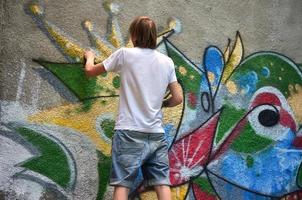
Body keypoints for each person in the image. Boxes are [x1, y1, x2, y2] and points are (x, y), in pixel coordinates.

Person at [84, 16, 183, 200]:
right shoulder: (167, 62)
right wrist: (163, 104)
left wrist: (89, 57)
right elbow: (177, 98)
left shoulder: (124, 55)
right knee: (162, 183)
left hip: (128, 131)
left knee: (123, 185)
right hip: (156, 133)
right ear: (153, 36)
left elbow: (90, 71)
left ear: (134, 34)